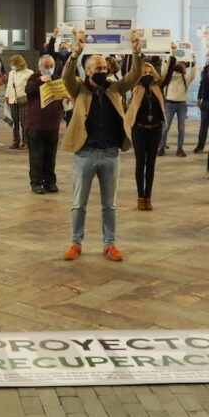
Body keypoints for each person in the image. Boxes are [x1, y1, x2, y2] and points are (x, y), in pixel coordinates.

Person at [61, 30, 143, 261]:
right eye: (97, 69)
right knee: (79, 203)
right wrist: (75, 52)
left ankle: (110, 244)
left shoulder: (115, 88)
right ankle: (75, 243)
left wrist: (136, 54)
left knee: (110, 205)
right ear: (87, 71)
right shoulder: (78, 88)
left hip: (110, 154)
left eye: (104, 69)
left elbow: (134, 76)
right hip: (84, 154)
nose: (102, 72)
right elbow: (67, 75)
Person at [126, 47, 175, 211]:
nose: (147, 74)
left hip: (155, 130)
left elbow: (167, 75)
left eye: (149, 71)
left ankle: (149, 196)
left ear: (154, 73)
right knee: (140, 164)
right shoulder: (135, 87)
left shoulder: (158, 88)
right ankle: (140, 197)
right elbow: (129, 71)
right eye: (144, 72)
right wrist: (134, 53)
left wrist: (172, 54)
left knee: (151, 164)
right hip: (139, 130)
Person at [25, 54, 64, 194]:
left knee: (50, 156)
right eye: (46, 66)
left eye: (51, 66)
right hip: (36, 125)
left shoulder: (57, 79)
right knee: (36, 156)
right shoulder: (34, 78)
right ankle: (36, 182)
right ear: (40, 67)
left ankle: (50, 182)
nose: (49, 69)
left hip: (53, 125)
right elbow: (28, 90)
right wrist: (40, 80)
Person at [158, 56, 195, 157]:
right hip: (170, 104)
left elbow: (192, 73)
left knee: (180, 128)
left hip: (181, 105)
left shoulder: (185, 78)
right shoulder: (169, 78)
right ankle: (162, 148)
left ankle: (178, 149)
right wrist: (167, 57)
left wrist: (193, 60)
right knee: (166, 128)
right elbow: (164, 70)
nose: (181, 64)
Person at [4, 55, 33, 149]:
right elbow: (9, 86)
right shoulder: (11, 73)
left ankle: (25, 142)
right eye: (11, 64)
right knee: (14, 122)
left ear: (19, 63)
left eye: (13, 64)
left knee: (24, 122)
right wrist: (7, 96)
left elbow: (31, 87)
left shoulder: (29, 73)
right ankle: (15, 141)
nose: (12, 66)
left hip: (24, 100)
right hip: (12, 99)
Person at [192, 65, 209, 154]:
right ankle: (200, 146)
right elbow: (202, 85)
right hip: (205, 102)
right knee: (204, 126)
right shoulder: (205, 70)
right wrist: (199, 98)